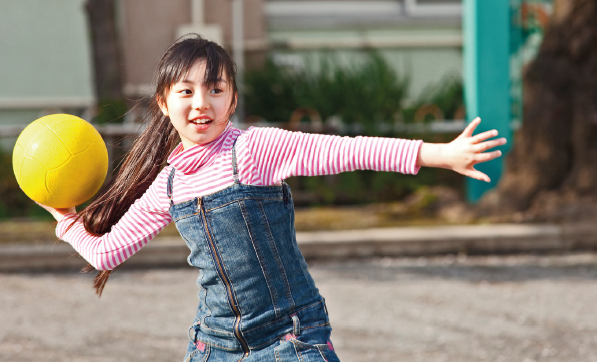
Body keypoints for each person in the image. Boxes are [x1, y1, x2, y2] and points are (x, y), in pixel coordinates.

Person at [39, 36, 506, 362]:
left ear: (232, 99)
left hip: (290, 337)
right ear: (163, 103)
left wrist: (440, 153)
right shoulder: (169, 182)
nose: (201, 102)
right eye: (186, 91)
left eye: (215, 90)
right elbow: (108, 250)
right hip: (214, 344)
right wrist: (65, 219)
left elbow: (346, 150)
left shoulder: (254, 149)